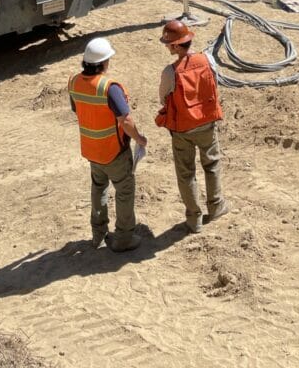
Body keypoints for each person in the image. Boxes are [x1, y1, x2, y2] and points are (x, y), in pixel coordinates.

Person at [68, 37, 147, 253]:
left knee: (98, 189)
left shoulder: (74, 82)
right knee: (124, 190)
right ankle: (123, 238)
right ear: (103, 63)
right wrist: (139, 139)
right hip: (114, 152)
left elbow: (78, 109)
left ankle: (98, 234)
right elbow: (126, 120)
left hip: (91, 150)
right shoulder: (109, 88)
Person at [155, 19, 229, 234]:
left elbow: (163, 98)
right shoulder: (208, 60)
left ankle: (194, 220)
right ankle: (216, 207)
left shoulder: (170, 72)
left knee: (186, 173)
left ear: (177, 45)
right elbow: (213, 85)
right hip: (207, 123)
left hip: (183, 129)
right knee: (212, 165)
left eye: (168, 44)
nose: (167, 47)